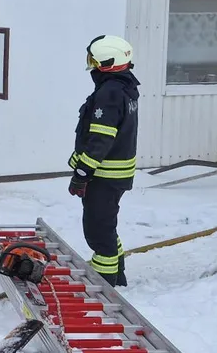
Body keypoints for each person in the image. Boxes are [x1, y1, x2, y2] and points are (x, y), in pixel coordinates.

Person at [67, 35, 139, 288]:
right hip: (114, 176)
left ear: (106, 63)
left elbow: (101, 139)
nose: (91, 65)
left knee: (98, 230)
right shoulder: (125, 87)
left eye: (93, 60)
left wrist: (82, 173)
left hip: (104, 177)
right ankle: (117, 274)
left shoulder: (109, 93)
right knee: (107, 224)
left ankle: (105, 283)